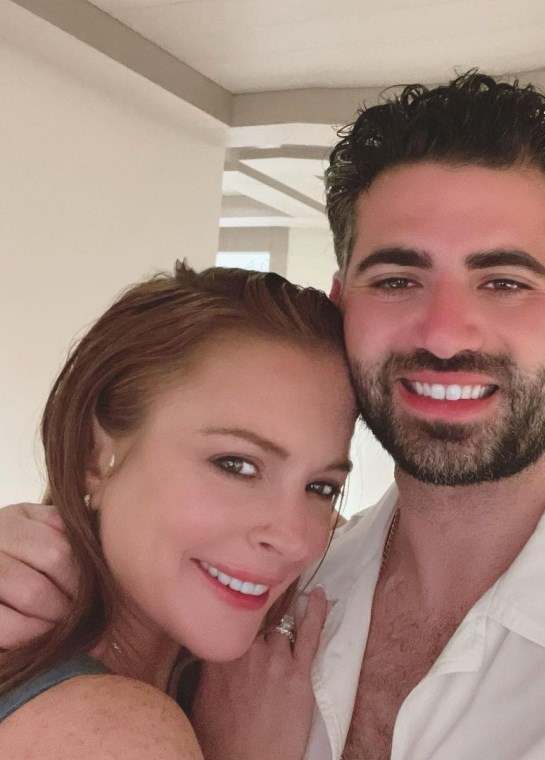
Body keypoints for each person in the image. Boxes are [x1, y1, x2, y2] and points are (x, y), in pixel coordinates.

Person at [3, 72, 545, 759]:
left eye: (504, 282)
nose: (445, 335)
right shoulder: (268, 593)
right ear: (345, 313)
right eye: (398, 279)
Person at [0, 263, 357, 759]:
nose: (295, 538)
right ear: (92, 455)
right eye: (235, 465)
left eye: (320, 487)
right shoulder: (115, 731)